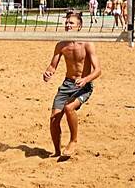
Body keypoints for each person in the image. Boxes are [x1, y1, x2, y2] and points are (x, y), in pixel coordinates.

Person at [42, 11, 101, 158]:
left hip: (83, 86)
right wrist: (48, 73)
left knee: (69, 108)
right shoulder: (61, 45)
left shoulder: (87, 43)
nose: (68, 26)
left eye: (71, 23)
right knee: (54, 119)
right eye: (66, 23)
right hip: (67, 84)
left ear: (79, 26)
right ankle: (56, 151)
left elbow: (98, 70)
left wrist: (86, 79)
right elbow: (52, 66)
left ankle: (73, 141)